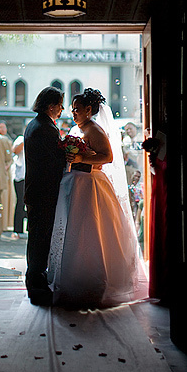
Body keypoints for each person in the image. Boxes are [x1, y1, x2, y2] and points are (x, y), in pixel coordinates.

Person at [48, 88, 145, 308]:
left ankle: (94, 279)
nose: (73, 113)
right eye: (72, 110)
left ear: (88, 110)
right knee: (74, 231)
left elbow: (107, 156)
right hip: (75, 181)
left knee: (91, 229)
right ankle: (73, 277)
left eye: (77, 110)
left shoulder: (94, 129)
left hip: (90, 183)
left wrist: (82, 156)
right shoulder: (77, 128)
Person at [23, 86, 66, 305]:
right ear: (51, 106)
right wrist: (69, 157)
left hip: (35, 191)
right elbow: (53, 163)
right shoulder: (45, 129)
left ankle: (35, 282)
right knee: (40, 239)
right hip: (43, 192)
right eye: (60, 105)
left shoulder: (35, 124)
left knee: (37, 238)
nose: (62, 109)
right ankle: (36, 286)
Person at [11, 133, 26, 237]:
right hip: (20, 177)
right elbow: (15, 150)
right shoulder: (21, 139)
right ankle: (17, 229)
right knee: (20, 202)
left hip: (30, 176)